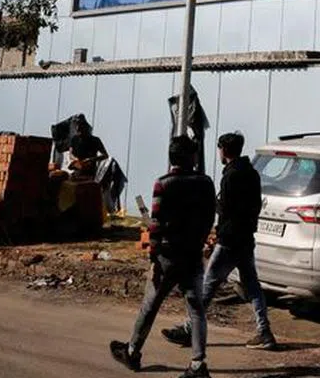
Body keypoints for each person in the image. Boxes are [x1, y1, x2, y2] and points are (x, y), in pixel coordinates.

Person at [111, 136, 215, 377]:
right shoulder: (206, 182)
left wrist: (154, 257)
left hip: (168, 256)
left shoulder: (163, 184)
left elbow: (156, 225)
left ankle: (133, 351)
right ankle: (198, 364)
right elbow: (210, 217)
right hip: (192, 255)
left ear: (171, 158)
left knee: (150, 305)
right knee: (196, 309)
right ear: (193, 157)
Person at [163, 132, 277, 351]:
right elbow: (252, 206)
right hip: (245, 239)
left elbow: (225, 210)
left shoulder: (231, 176)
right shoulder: (252, 174)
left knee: (207, 286)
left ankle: (189, 330)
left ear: (224, 150)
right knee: (252, 287)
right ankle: (264, 332)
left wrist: (215, 235)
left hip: (229, 241)